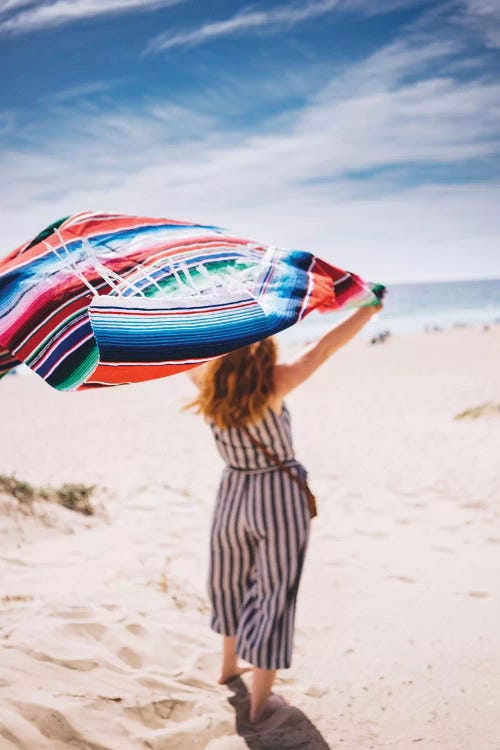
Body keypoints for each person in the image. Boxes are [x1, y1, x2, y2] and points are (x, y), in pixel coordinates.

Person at [188, 302, 382, 724]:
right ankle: (259, 704)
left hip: (232, 491)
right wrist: (369, 309)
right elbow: (323, 348)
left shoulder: (206, 381)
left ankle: (227, 667)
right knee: (275, 591)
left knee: (228, 579)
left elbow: (176, 351)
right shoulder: (273, 383)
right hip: (277, 495)